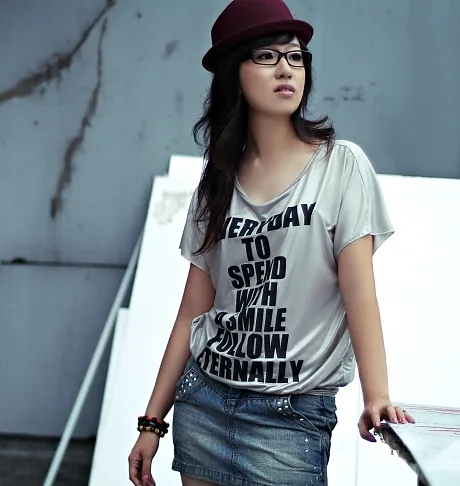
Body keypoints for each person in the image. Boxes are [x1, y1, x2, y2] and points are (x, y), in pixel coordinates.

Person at [128, 1, 415, 485]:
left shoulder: (341, 166)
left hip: (291, 417)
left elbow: (359, 292)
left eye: (296, 56)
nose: (286, 68)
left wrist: (377, 395)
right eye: (266, 56)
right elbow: (191, 313)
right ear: (234, 75)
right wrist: (152, 422)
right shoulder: (217, 184)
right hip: (204, 404)